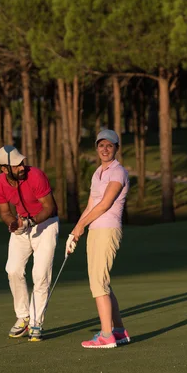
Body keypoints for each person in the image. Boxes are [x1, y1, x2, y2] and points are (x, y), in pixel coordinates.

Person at [67, 129, 130, 349]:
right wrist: (76, 230)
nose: (105, 149)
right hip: (94, 230)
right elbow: (91, 205)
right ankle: (119, 331)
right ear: (96, 148)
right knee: (102, 282)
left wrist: (82, 225)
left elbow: (105, 204)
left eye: (109, 145)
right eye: (101, 145)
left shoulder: (118, 172)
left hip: (108, 230)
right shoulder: (97, 173)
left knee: (98, 283)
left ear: (116, 148)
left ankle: (106, 335)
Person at [0, 145, 59, 342]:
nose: (22, 167)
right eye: (17, 165)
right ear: (5, 169)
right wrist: (12, 223)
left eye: (22, 162)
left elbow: (50, 207)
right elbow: (5, 212)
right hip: (22, 224)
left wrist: (29, 222)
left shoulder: (36, 175)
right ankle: (23, 317)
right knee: (12, 269)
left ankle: (36, 322)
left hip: (46, 225)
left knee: (40, 274)